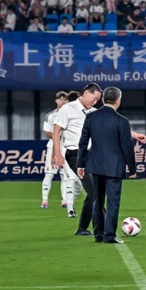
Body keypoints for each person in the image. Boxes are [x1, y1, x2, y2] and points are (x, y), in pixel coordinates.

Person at [77, 87, 137, 244]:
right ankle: (109, 235)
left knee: (97, 199)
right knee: (113, 202)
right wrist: (132, 168)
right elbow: (127, 146)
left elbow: (83, 142)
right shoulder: (122, 121)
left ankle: (98, 234)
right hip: (114, 167)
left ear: (103, 100)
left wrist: (80, 164)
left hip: (95, 165)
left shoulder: (91, 118)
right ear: (118, 101)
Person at [52, 84, 102, 230]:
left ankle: (82, 228)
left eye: (98, 99)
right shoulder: (68, 108)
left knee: (93, 192)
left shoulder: (94, 112)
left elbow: (113, 124)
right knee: (94, 191)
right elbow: (56, 131)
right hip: (75, 155)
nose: (95, 102)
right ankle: (105, 226)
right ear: (86, 93)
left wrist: (135, 135)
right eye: (94, 98)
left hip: (92, 155)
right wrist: (57, 154)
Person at [41, 91, 69, 209]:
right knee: (49, 173)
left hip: (66, 146)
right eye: (60, 99)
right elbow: (47, 133)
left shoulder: (71, 114)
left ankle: (64, 200)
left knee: (65, 175)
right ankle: (45, 200)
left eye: (64, 99)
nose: (62, 101)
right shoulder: (51, 115)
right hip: (52, 145)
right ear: (56, 100)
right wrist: (56, 136)